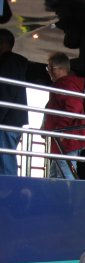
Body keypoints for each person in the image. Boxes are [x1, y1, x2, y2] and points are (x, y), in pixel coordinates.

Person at [42, 52, 85, 179]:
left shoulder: (65, 84)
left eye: (51, 68)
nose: (49, 72)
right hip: (66, 138)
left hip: (66, 139)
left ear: (62, 69)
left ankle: (69, 198)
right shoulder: (70, 84)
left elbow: (73, 108)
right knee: (57, 174)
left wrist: (60, 130)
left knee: (65, 174)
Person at [0, 28, 28, 175]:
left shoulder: (7, 63)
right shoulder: (16, 63)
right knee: (6, 158)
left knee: (5, 161)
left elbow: (5, 91)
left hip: (6, 120)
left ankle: (9, 194)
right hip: (13, 120)